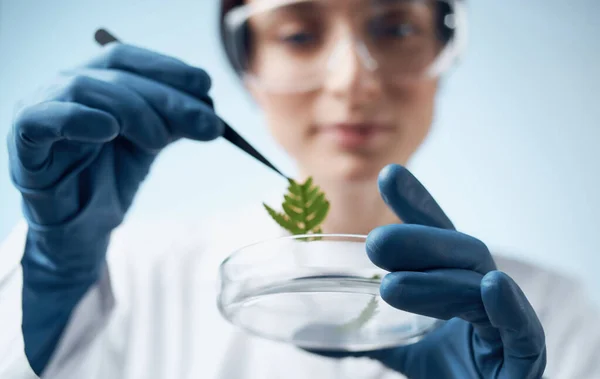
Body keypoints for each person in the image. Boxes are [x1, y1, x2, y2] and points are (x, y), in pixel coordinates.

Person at [1, 0, 598, 378]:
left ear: (444, 51)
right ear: (248, 67)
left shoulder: (549, 316)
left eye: (394, 27)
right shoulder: (130, 277)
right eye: (298, 34)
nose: (352, 81)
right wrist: (51, 285)